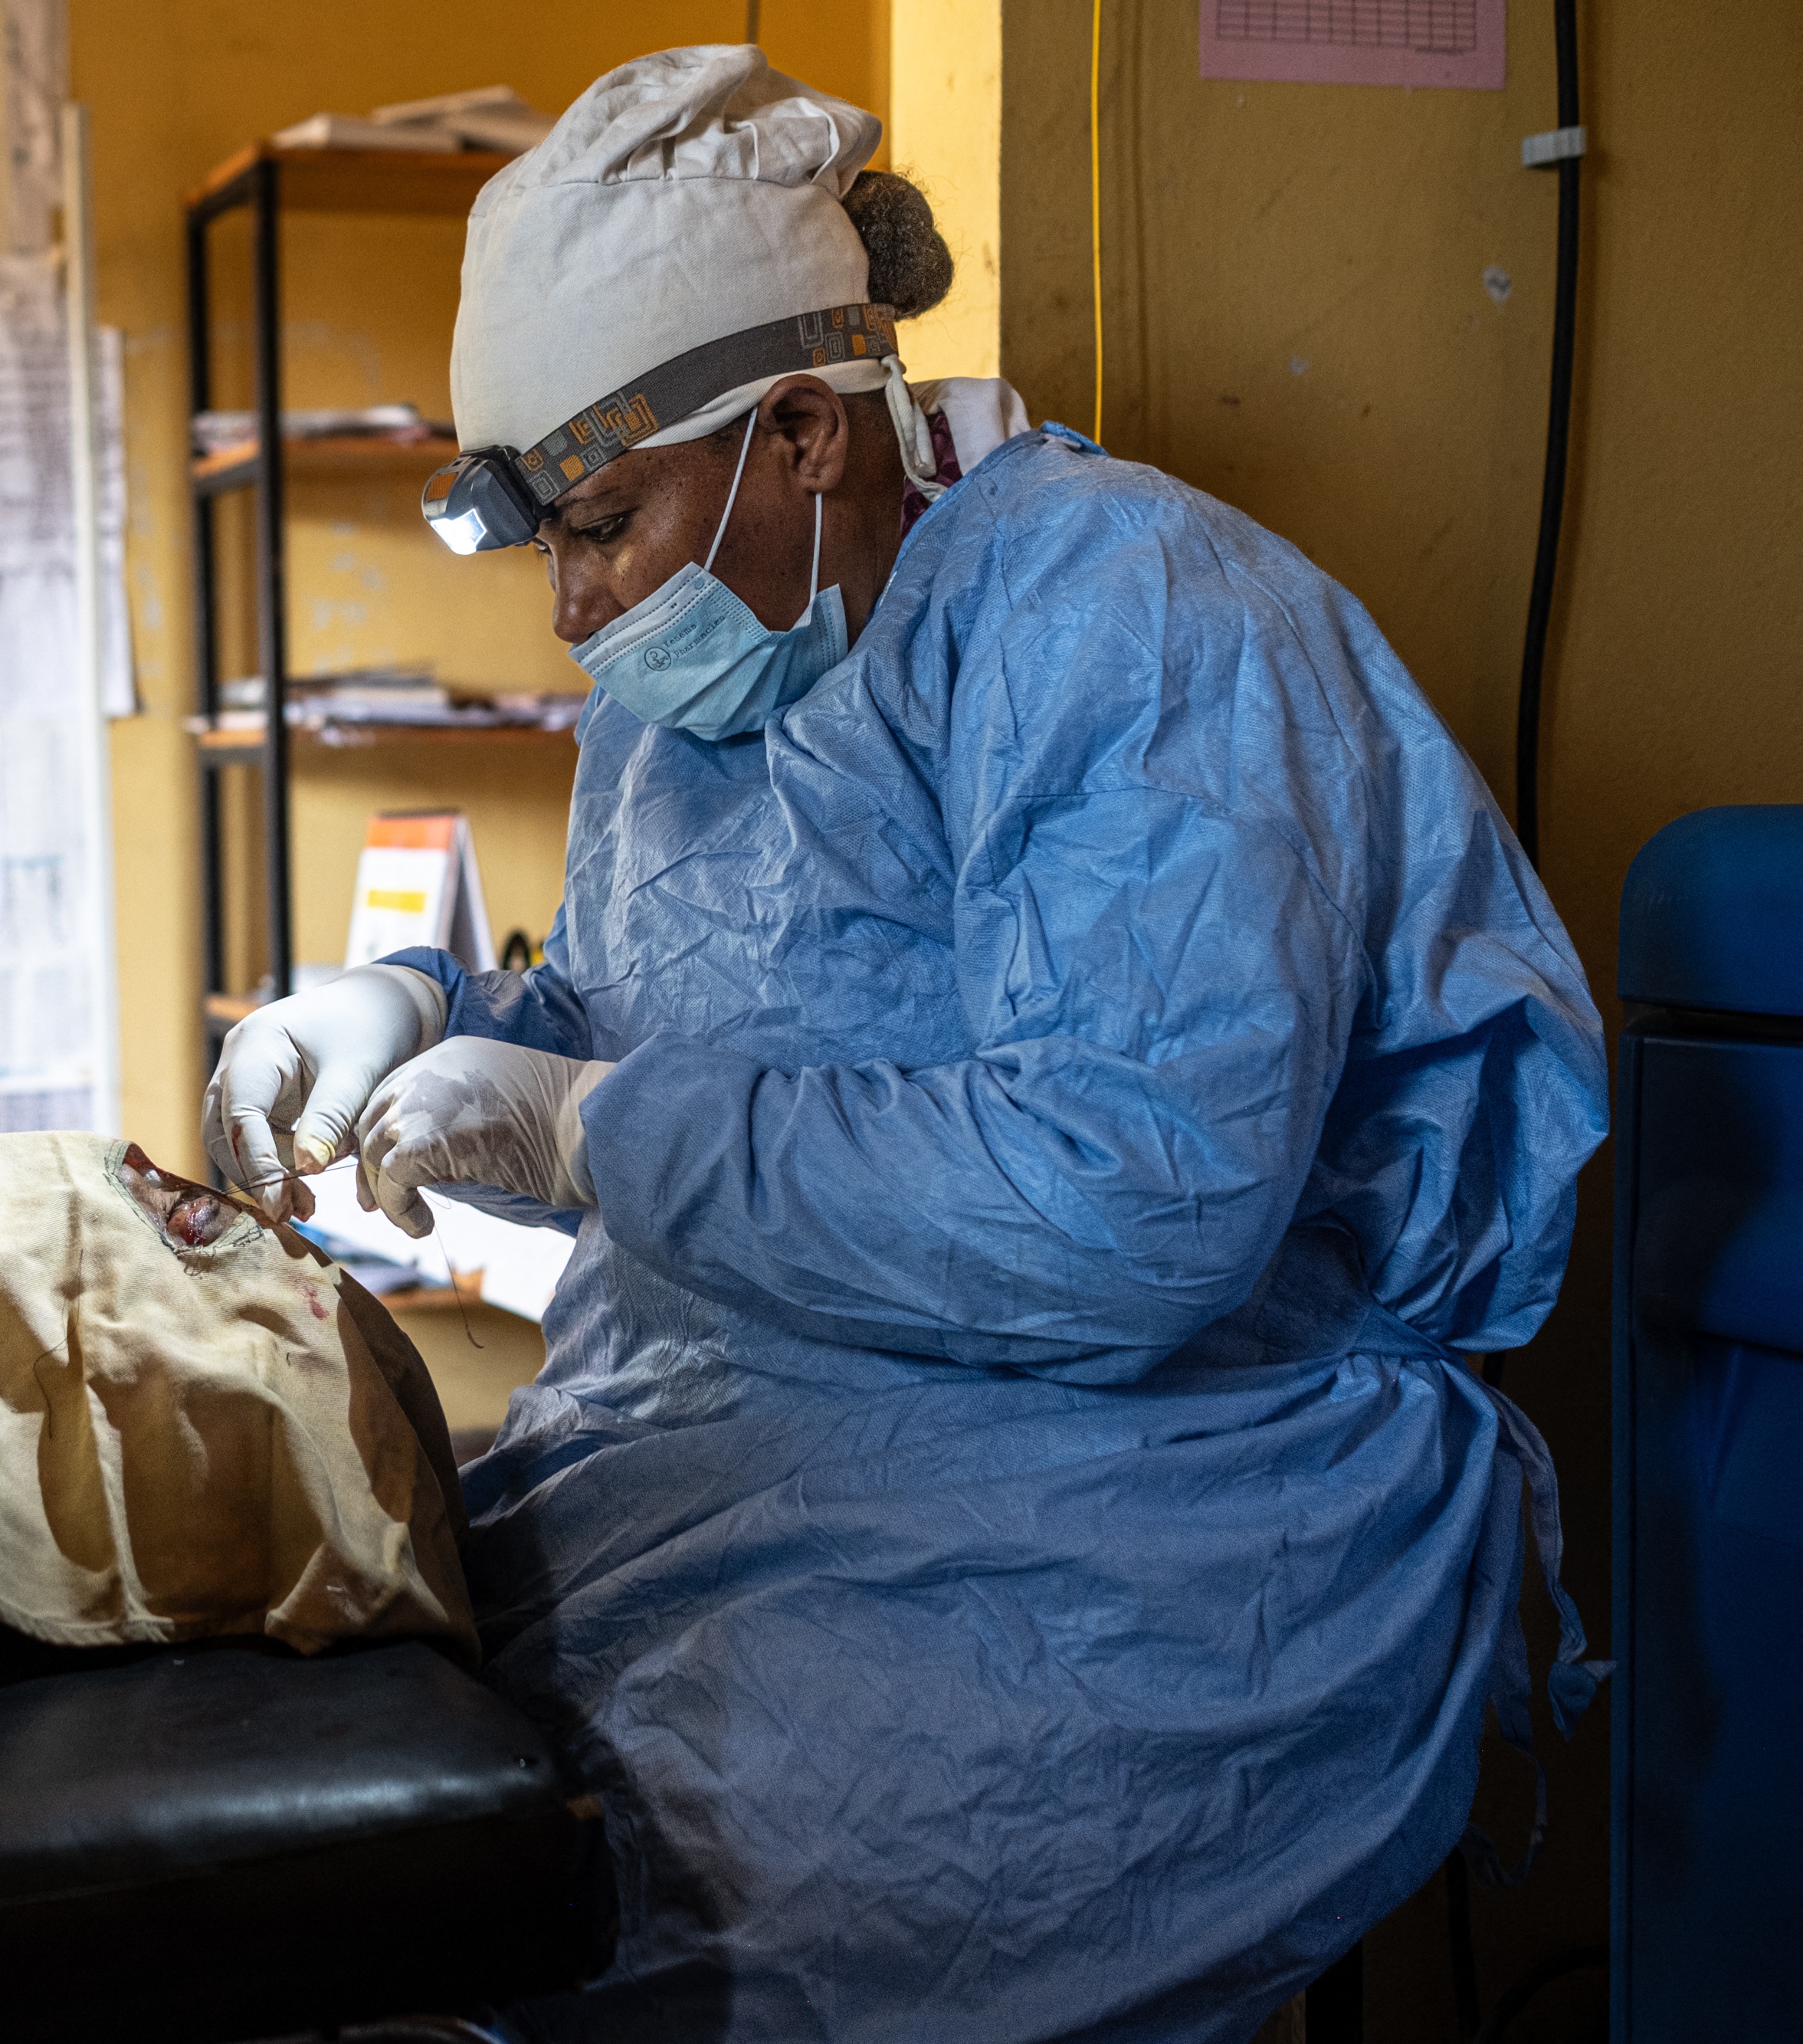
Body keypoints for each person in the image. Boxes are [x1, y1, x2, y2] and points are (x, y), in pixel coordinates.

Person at [203, 44, 1608, 2044]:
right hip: (785, 1423)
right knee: (391, 1724)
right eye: (540, 538)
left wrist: (596, 1135)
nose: (575, 599)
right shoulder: (682, 688)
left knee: (642, 1866)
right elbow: (664, 1000)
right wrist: (425, 1008)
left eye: (597, 519)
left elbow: (1128, 1207)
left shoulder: (1135, 624)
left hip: (1163, 1477)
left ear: (795, 434)